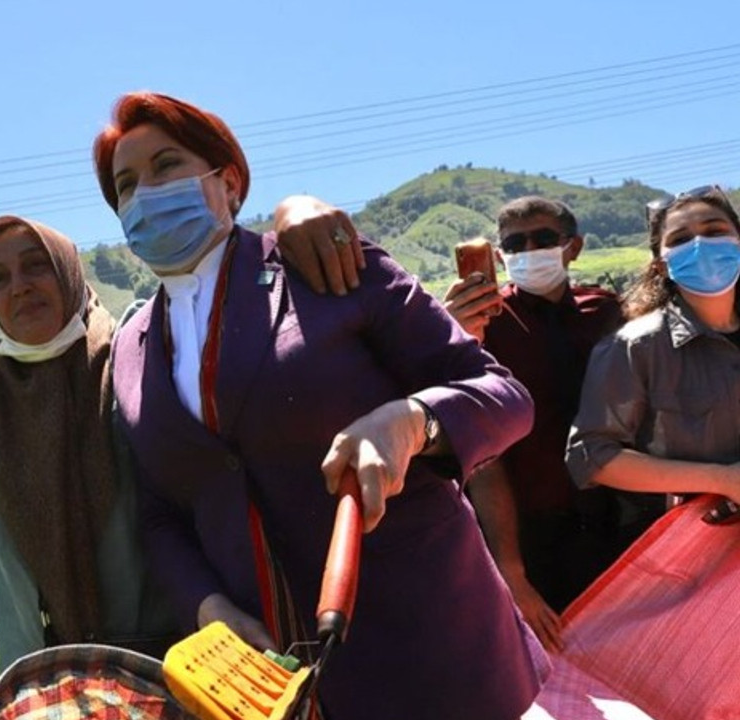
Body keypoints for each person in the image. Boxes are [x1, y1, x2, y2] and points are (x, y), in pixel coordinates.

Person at [0, 100, 367, 669]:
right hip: (40, 681)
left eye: (36, 265)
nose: (18, 286)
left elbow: (236, 309)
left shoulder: (139, 346)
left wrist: (297, 212)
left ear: (70, 270)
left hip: (164, 671)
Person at [94, 91, 545, 720]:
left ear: (228, 183)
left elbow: (503, 395)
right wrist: (209, 609)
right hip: (271, 682)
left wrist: (412, 421)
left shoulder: (324, 265)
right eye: (125, 185)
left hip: (432, 648)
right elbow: (161, 514)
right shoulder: (132, 348)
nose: (145, 193)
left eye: (166, 166)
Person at [442, 197, 624, 652]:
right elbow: (483, 453)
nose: (529, 251)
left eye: (543, 239)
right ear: (499, 256)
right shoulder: (485, 323)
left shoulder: (606, 312)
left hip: (615, 522)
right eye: (515, 244)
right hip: (525, 535)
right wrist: (513, 574)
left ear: (574, 247)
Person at [568, 185, 740, 550]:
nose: (700, 245)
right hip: (693, 550)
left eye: (714, 231)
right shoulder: (633, 347)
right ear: (662, 264)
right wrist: (723, 480)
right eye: (681, 239)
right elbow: (592, 456)